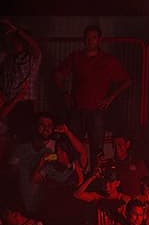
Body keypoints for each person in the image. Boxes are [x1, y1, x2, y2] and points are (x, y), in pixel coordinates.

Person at [54, 25, 132, 161]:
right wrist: (64, 93)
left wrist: (110, 98)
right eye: (88, 38)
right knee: (73, 146)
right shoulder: (76, 57)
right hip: (77, 109)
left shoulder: (107, 60)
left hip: (97, 111)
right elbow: (58, 75)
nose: (90, 40)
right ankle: (75, 178)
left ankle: (96, 179)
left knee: (97, 150)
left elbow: (126, 81)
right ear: (84, 39)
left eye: (94, 38)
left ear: (99, 40)